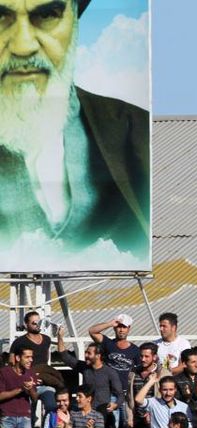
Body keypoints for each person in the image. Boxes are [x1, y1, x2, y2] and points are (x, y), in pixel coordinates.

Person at [0, 0, 148, 255]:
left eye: (47, 14)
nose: (23, 46)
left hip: (103, 294)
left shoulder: (137, 127)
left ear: (75, 22)